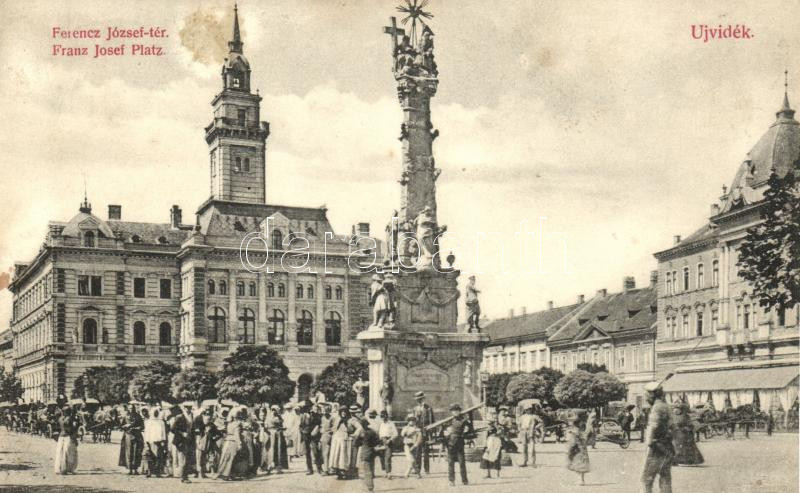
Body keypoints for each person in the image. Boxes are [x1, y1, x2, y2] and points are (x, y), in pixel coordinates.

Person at [641, 381, 675, 493]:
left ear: (652, 395)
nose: (646, 398)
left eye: (647, 395)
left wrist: (649, 443)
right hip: (667, 446)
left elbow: (653, 427)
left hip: (656, 447)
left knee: (646, 479)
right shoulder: (667, 406)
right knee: (665, 477)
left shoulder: (656, 408)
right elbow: (672, 426)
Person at [443, 403, 473, 486]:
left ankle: (464, 480)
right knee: (450, 463)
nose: (455, 412)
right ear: (451, 412)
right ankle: (451, 480)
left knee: (462, 462)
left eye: (457, 410)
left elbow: (469, 429)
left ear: (460, 411)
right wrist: (446, 433)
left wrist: (466, 431)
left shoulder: (464, 420)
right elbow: (443, 431)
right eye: (453, 411)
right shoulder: (449, 421)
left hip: (460, 443)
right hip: (450, 444)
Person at [354, 415, 383, 493]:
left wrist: (360, 442)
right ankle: (370, 487)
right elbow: (378, 441)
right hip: (372, 452)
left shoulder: (361, 432)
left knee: (367, 471)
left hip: (364, 452)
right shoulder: (372, 431)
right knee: (371, 469)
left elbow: (355, 443)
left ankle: (370, 488)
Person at [671, 400, 703, 465]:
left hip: (684, 433)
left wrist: (687, 428)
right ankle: (677, 460)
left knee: (685, 447)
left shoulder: (685, 416)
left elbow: (690, 424)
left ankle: (687, 460)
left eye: (678, 409)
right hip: (677, 433)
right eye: (675, 408)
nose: (676, 410)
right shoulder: (674, 416)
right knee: (677, 447)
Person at [216, 408, 244, 481]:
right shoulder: (237, 424)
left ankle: (224, 473)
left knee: (225, 457)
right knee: (231, 458)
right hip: (233, 442)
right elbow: (237, 435)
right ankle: (227, 474)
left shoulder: (229, 423)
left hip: (227, 441)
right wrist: (239, 443)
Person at [565, 410, 592, 486]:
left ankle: (581, 480)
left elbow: (573, 441)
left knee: (577, 463)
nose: (569, 422)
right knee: (581, 463)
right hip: (582, 448)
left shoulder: (573, 430)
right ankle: (581, 479)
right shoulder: (580, 429)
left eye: (570, 421)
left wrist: (569, 449)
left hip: (576, 449)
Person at [328, 407, 354, 479]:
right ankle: (338, 472)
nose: (343, 413)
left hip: (344, 439)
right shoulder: (337, 420)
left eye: (345, 412)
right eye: (342, 412)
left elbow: (352, 429)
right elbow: (334, 428)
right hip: (337, 439)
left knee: (343, 455)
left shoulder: (350, 420)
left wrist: (350, 431)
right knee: (336, 455)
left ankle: (344, 471)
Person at [412, 391, 434, 474]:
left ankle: (426, 469)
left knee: (426, 452)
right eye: (417, 399)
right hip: (418, 433)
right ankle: (417, 469)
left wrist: (430, 433)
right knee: (417, 451)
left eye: (420, 399)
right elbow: (412, 421)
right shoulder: (415, 409)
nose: (419, 401)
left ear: (423, 399)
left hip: (426, 432)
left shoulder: (428, 408)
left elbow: (432, 421)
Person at [263, 405, 289, 474]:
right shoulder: (271, 417)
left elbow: (280, 425)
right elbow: (267, 426)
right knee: (272, 450)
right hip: (273, 434)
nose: (274, 411)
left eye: (276, 410)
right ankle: (270, 467)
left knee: (278, 450)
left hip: (277, 434)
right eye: (274, 410)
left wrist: (282, 428)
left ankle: (277, 467)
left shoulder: (276, 416)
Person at [119, 404, 144, 475]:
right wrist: (125, 426)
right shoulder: (126, 416)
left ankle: (135, 469)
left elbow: (142, 426)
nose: (131, 409)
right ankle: (129, 469)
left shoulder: (138, 416)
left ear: (134, 409)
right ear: (128, 409)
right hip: (128, 435)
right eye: (130, 408)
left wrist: (138, 428)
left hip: (137, 436)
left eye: (132, 408)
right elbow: (121, 426)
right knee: (129, 452)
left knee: (136, 452)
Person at [300, 402, 323, 475]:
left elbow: (319, 424)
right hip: (306, 436)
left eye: (309, 407)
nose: (308, 409)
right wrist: (303, 432)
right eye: (306, 407)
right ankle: (309, 469)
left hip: (314, 436)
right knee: (307, 453)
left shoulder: (315, 415)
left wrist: (316, 431)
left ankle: (319, 468)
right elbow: (301, 426)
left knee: (316, 451)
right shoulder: (303, 416)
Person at [54, 406, 79, 474]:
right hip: (68, 436)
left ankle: (60, 469)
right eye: (68, 411)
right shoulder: (69, 419)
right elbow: (70, 428)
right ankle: (68, 469)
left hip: (61, 436)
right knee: (69, 452)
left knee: (60, 452)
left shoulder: (60, 418)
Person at [377, 409, 398, 478]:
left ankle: (389, 472)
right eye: (381, 416)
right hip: (381, 441)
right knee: (381, 457)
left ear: (386, 416)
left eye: (383, 416)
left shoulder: (391, 423)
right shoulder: (381, 424)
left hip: (389, 441)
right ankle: (385, 471)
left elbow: (395, 434)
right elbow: (379, 433)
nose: (382, 418)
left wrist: (390, 439)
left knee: (388, 457)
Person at [319, 404, 334, 474]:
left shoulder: (332, 418)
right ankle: (326, 469)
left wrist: (330, 432)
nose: (325, 412)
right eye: (324, 411)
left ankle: (327, 469)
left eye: (326, 411)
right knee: (324, 454)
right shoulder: (322, 418)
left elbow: (334, 428)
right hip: (323, 437)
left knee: (327, 453)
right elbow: (321, 426)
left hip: (329, 436)